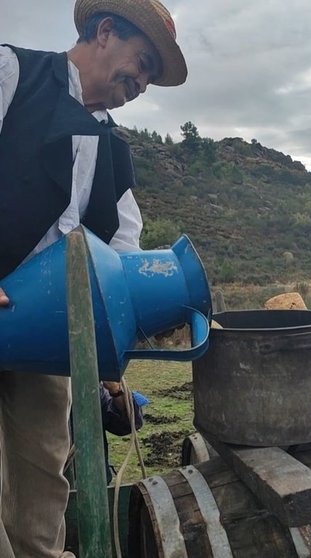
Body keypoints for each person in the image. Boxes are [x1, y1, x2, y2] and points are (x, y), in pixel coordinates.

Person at [0, 0, 187, 556]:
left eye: (151, 73)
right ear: (105, 32)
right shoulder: (13, 74)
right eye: (142, 61)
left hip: (44, 339)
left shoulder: (115, 152)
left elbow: (120, 254)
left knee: (43, 478)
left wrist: (110, 363)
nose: (143, 81)